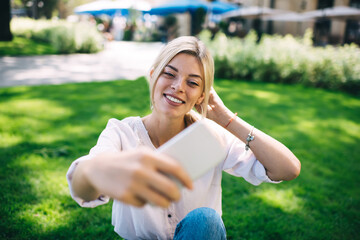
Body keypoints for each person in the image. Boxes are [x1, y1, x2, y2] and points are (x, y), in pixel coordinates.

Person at [66, 36, 301, 239]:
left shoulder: (211, 136)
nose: (179, 87)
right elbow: (82, 186)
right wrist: (94, 172)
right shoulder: (121, 133)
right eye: (169, 74)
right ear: (153, 76)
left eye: (192, 83)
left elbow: (287, 169)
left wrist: (226, 119)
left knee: (204, 220)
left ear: (201, 96)